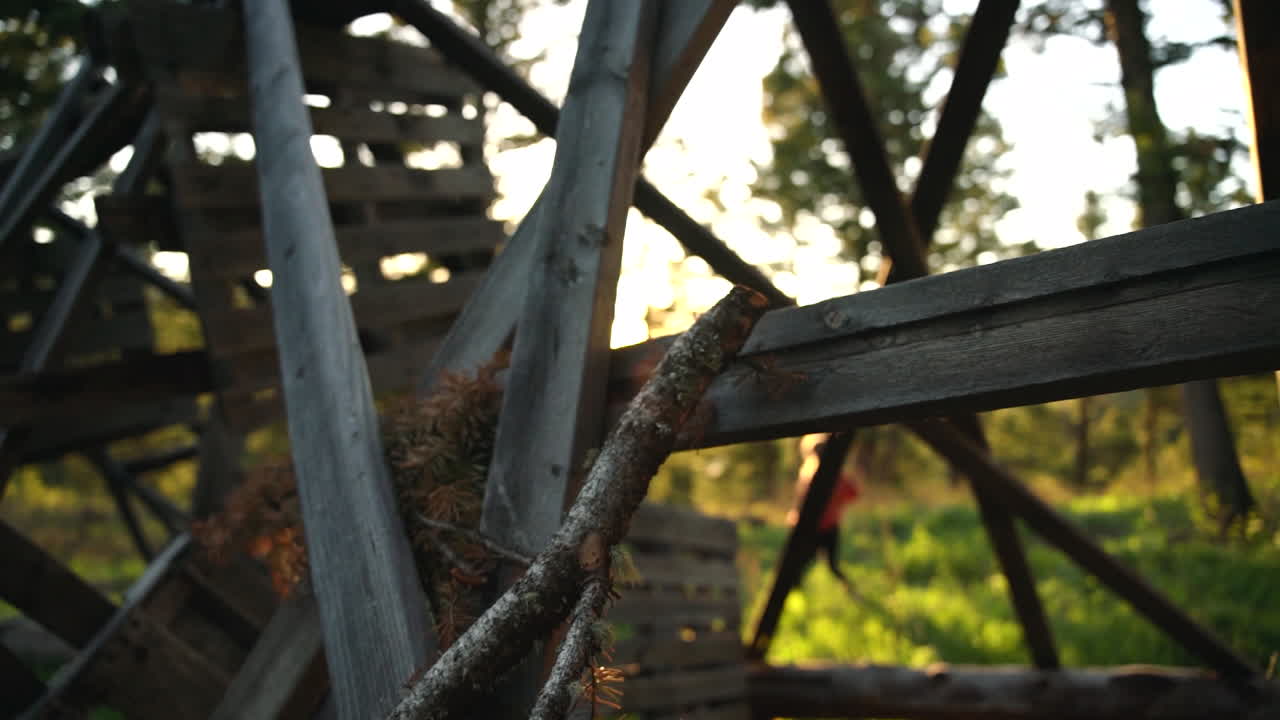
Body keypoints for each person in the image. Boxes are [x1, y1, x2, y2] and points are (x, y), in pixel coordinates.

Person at [787, 434, 861, 586]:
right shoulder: (809, 476)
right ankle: (795, 590)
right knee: (802, 564)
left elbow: (852, 494)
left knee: (830, 565)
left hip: (828, 528)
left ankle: (848, 589)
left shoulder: (836, 476)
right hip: (814, 528)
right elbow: (801, 502)